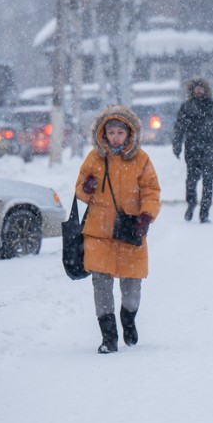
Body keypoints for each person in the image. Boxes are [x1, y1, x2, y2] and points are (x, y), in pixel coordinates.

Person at [75, 105, 162, 354]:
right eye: (111, 132)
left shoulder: (141, 159)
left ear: (129, 134)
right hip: (99, 233)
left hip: (130, 231)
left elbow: (151, 191)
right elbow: (79, 190)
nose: (115, 137)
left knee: (131, 286)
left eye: (119, 133)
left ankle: (129, 318)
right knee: (101, 284)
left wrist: (146, 216)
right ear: (103, 133)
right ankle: (108, 337)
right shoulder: (94, 158)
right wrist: (87, 187)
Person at [172, 77, 213, 223]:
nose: (199, 91)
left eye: (201, 88)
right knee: (191, 181)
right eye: (196, 88)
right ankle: (191, 204)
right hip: (192, 150)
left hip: (210, 150)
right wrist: (177, 145)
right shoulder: (187, 107)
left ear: (206, 90)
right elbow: (179, 128)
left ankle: (204, 213)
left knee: (208, 183)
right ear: (191, 90)